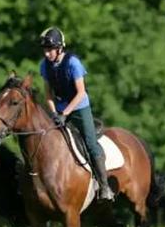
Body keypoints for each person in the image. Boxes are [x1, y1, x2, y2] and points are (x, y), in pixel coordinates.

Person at [38, 27, 114, 201]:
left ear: (60, 48)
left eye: (50, 50)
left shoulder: (73, 63)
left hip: (79, 107)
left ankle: (104, 186)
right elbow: (48, 94)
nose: (47, 54)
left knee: (90, 143)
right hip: (59, 108)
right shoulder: (44, 66)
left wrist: (65, 113)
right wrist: (54, 113)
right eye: (45, 50)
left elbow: (80, 93)